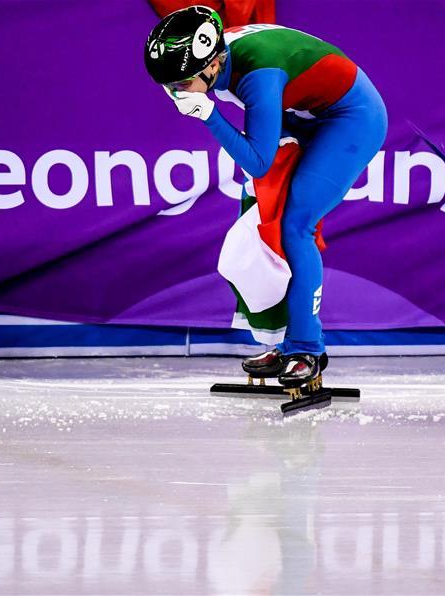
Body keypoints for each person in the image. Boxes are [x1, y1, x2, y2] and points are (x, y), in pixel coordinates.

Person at [144, 5, 387, 387]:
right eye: (168, 85)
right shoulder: (221, 58)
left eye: (181, 83)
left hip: (351, 118)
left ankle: (307, 348)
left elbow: (259, 161)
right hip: (305, 111)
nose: (175, 93)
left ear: (210, 65)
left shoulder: (259, 75)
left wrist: (209, 115)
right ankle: (282, 340)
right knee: (260, 211)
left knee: (295, 226)